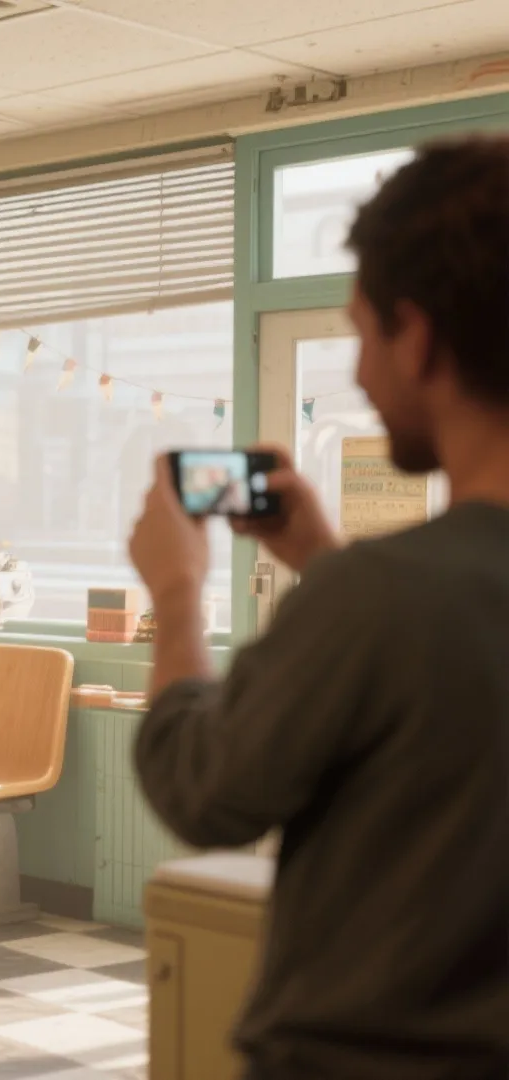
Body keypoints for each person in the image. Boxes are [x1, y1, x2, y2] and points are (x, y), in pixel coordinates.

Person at [127, 135, 509, 1080]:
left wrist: (177, 591)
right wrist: (324, 562)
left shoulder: (379, 598)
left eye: (361, 333)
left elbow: (201, 789)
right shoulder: (379, 596)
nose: (363, 376)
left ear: (416, 337)